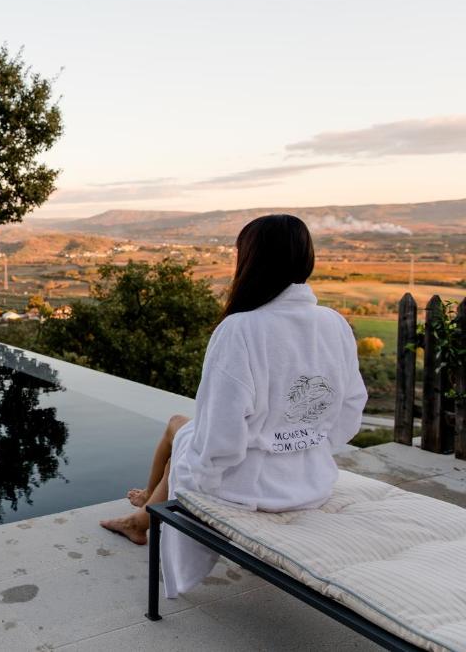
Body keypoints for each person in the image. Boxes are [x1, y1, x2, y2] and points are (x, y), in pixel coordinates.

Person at [99, 214, 367, 598]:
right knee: (181, 429)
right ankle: (142, 512)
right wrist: (310, 445)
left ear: (251, 260)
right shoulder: (334, 323)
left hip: (253, 488)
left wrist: (200, 482)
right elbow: (351, 405)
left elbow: (222, 433)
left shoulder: (240, 329)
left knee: (184, 451)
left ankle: (141, 518)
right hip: (314, 480)